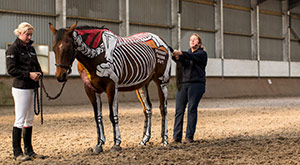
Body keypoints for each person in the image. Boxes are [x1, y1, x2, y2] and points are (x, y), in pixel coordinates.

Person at [6, 22, 45, 161]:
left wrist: (39, 73)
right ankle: (17, 152)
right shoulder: (13, 49)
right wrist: (29, 74)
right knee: (20, 119)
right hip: (21, 87)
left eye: (30, 35)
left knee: (29, 120)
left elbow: (38, 66)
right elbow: (11, 70)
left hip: (32, 87)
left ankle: (29, 150)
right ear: (20, 33)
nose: (29, 37)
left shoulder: (31, 50)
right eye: (27, 34)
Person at [172, 33, 207, 144]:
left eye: (194, 39)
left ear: (199, 43)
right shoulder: (185, 55)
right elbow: (179, 60)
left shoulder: (202, 54)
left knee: (192, 109)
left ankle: (189, 137)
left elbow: (191, 56)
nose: (192, 41)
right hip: (183, 85)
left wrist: (181, 53)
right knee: (179, 111)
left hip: (196, 85)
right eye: (191, 39)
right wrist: (175, 56)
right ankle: (176, 136)